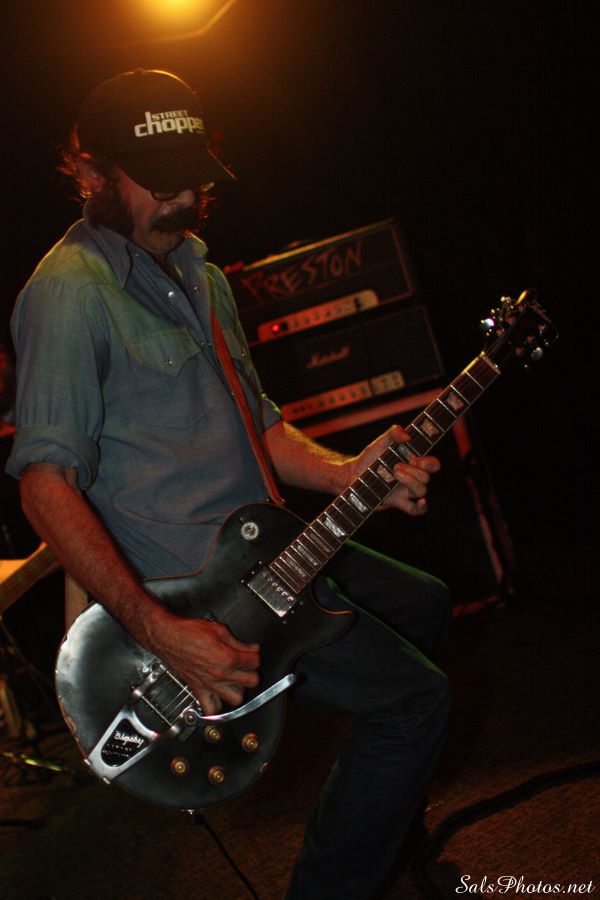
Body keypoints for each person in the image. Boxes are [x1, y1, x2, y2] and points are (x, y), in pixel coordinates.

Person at [7, 69, 452, 898]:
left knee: (422, 604)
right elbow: (44, 487)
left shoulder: (200, 275)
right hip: (198, 595)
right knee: (414, 703)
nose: (184, 196)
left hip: (267, 546)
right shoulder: (67, 295)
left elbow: (261, 425)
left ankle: (386, 834)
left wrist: (347, 473)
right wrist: (159, 629)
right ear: (93, 173)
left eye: (193, 174)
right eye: (159, 179)